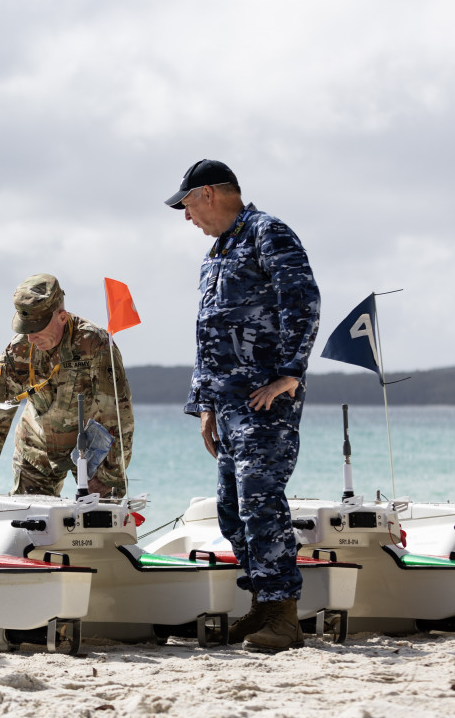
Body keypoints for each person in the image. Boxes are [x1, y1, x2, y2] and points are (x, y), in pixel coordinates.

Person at [166, 159, 321, 652]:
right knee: (233, 511)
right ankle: (261, 605)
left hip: (262, 401)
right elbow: (208, 330)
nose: (187, 217)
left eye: (188, 205)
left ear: (209, 194)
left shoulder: (267, 233)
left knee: (261, 504)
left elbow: (304, 301)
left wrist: (290, 374)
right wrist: (205, 404)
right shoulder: (219, 250)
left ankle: (284, 614)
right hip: (227, 403)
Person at [0, 274, 135, 497]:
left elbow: (117, 414)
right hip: (36, 448)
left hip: (90, 450)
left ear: (62, 317)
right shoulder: (17, 351)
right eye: (25, 329)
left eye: (37, 329)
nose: (30, 339)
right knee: (30, 522)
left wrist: (110, 476)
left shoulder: (94, 345)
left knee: (101, 520)